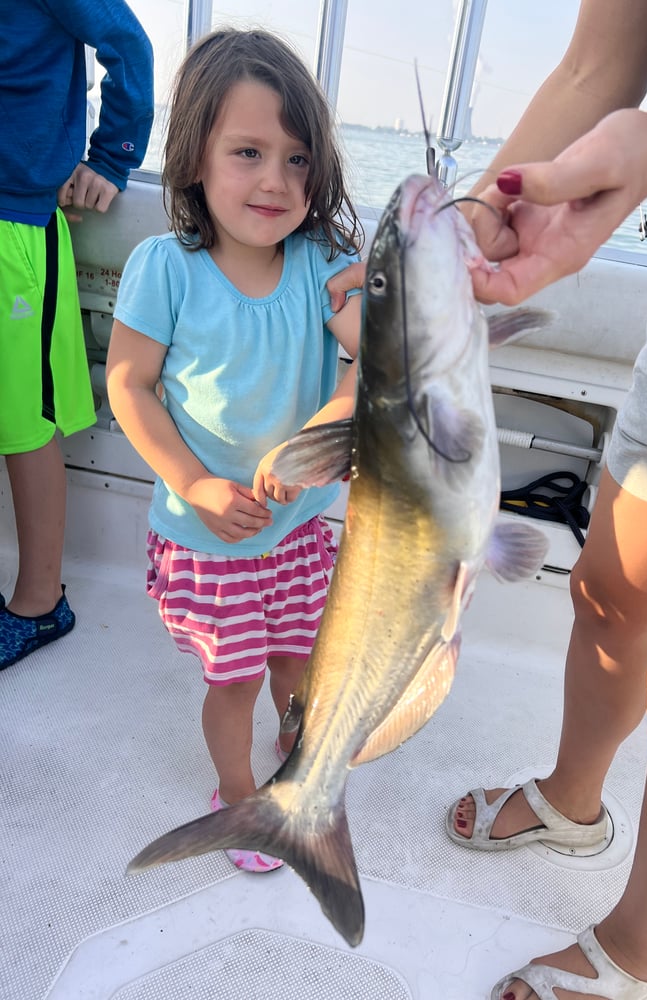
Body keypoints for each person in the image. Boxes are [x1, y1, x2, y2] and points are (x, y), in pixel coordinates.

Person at [328, 2, 647, 997]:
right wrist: (471, 220)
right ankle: (573, 799)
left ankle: (641, 950)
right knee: (605, 591)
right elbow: (593, 64)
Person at [106, 29, 362, 874]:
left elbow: (367, 377)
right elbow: (130, 385)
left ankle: (298, 784)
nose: (275, 181)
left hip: (300, 532)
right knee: (238, 680)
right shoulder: (164, 268)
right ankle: (242, 798)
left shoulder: (328, 265)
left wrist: (311, 446)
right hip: (206, 537)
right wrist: (196, 484)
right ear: (193, 159)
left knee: (301, 667)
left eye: (296, 160)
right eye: (248, 151)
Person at [0, 0, 153, 670]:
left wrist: (113, 158)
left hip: (16, 229)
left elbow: (127, 44)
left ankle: (38, 605)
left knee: (22, 422)